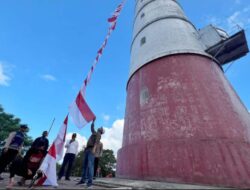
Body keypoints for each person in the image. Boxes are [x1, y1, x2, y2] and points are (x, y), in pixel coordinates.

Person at [76, 118, 105, 188]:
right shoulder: (95, 133)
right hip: (87, 149)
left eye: (101, 128)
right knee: (85, 166)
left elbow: (97, 141)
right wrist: (93, 122)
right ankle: (83, 180)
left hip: (91, 150)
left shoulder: (98, 134)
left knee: (90, 166)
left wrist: (94, 149)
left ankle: (90, 183)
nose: (99, 127)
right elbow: (92, 128)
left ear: (101, 131)